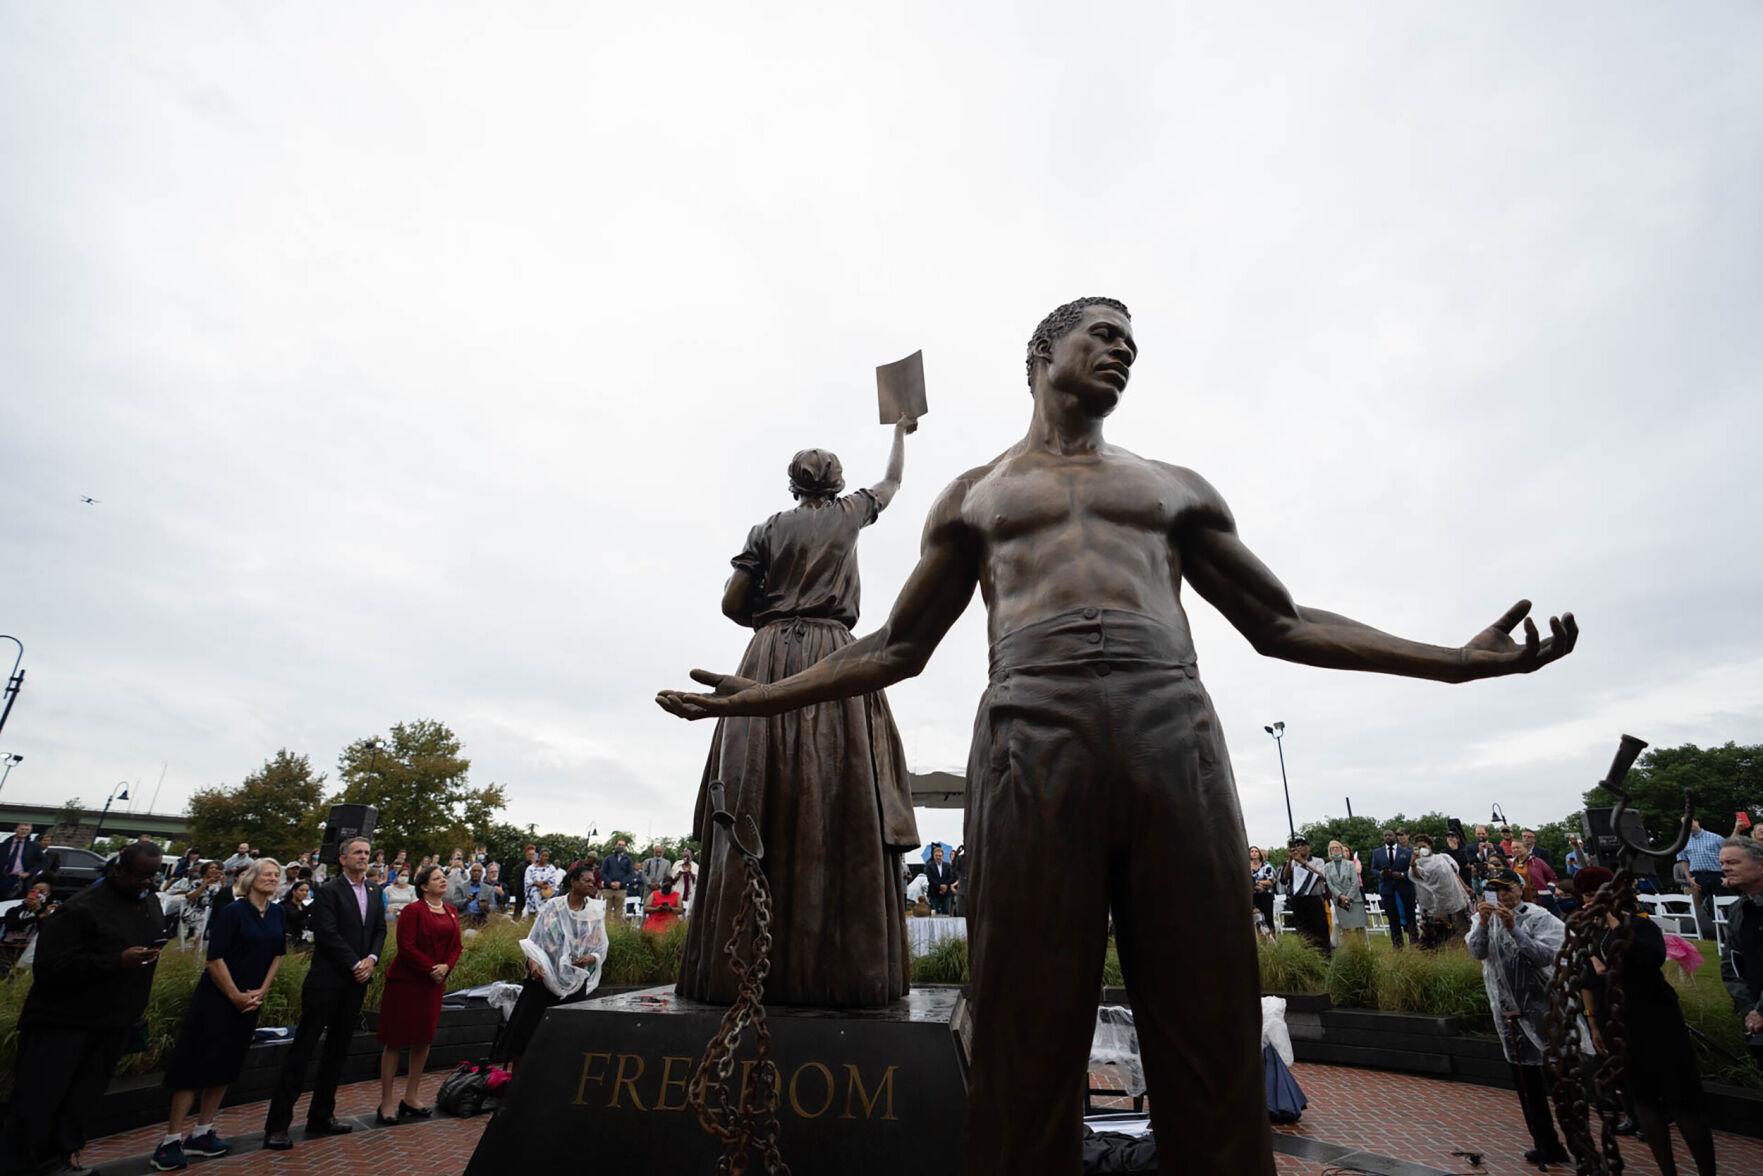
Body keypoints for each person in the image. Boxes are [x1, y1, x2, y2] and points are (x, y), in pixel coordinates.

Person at [657, 296, 1578, 1174]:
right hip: (1030, 735)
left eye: (1130, 345)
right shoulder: (973, 496)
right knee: (1021, 1024)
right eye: (1102, 336)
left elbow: (1282, 622)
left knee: (1210, 1016)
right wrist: (761, 699)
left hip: (1171, 731)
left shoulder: (1171, 487)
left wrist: (1452, 662)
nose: (1121, 353)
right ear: (1041, 356)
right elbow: (898, 645)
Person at [673, 416, 920, 1009]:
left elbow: (732, 602)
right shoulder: (850, 513)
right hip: (835, 657)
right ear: (837, 485)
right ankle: (840, 971)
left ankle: (733, 972)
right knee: (840, 787)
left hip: (765, 658)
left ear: (792, 485)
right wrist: (901, 432)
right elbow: (892, 482)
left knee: (756, 789)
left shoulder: (767, 528)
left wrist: (771, 617)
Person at [0, 841, 165, 1174]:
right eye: (139, 876)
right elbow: (51, 968)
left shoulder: (148, 903)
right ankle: (23, 1163)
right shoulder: (81, 908)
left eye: (152, 877)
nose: (145, 883)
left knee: (82, 1098)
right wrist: (115, 961)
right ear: (118, 869)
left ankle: (60, 1156)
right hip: (64, 1023)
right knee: (41, 1097)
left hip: (112, 1022)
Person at [1565, 866, 1716, 1175]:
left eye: (1594, 895)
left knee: (1682, 1099)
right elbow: (1587, 982)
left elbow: (1651, 959)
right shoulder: (1589, 935)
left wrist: (1614, 922)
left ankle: (1706, 1169)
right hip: (1618, 1024)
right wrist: (1593, 1024)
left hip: (1656, 1019)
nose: (1588, 902)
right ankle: (1667, 1169)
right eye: (1585, 896)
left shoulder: (1640, 926)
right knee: (1643, 1099)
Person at [153, 858, 287, 1171]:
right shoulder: (233, 911)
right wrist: (234, 994)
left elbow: (278, 955)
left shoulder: (277, 913)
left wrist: (261, 991)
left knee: (227, 1064)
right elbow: (215, 959)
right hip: (218, 998)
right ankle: (171, 1139)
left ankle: (202, 1131)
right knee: (194, 1064)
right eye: (266, 873)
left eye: (276, 875)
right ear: (251, 877)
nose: (272, 878)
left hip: (251, 999)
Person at [263, 836, 386, 1150]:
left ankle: (321, 1114)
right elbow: (327, 933)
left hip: (355, 984)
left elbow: (379, 930)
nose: (363, 857)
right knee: (303, 1050)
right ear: (343, 858)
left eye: (367, 852)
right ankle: (278, 1124)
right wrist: (354, 963)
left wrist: (372, 959)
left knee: (338, 1050)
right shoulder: (329, 890)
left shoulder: (375, 891)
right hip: (327, 981)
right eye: (357, 852)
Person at [1467, 869, 1572, 1167]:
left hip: (1543, 1009)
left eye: (1507, 889)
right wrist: (1483, 923)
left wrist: (1514, 929)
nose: (1501, 896)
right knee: (1527, 1087)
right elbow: (1477, 951)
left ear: (1520, 889)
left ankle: (1579, 1142)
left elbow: (1545, 955)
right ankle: (1545, 1144)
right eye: (1495, 890)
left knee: (1560, 1082)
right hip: (1508, 1014)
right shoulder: (1483, 920)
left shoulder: (1539, 917)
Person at [375, 864, 461, 1124]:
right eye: (437, 878)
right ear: (424, 886)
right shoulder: (413, 911)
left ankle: (411, 1096)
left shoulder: (451, 911)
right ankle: (386, 1101)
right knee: (395, 1040)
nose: (443, 881)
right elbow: (406, 946)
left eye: (444, 877)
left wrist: (446, 967)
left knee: (423, 1039)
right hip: (407, 982)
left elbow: (456, 946)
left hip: (433, 984)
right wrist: (430, 968)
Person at [506, 861, 608, 1070]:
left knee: (567, 1033)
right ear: (573, 882)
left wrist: (590, 958)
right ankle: (518, 1079)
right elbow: (534, 940)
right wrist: (533, 962)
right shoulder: (554, 906)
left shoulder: (595, 912)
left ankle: (557, 1076)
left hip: (574, 980)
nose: (592, 884)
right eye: (587, 880)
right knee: (526, 1030)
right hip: (545, 976)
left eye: (593, 881)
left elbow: (600, 946)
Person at [1717, 836, 1763, 1074]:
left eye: (1733, 862)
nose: (1725, 868)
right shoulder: (1738, 910)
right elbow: (1731, 963)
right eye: (1722, 863)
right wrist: (1748, 1010)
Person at [1410, 834, 1471, 946]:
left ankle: (1461, 950)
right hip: (1434, 905)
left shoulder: (1444, 857)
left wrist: (1466, 888)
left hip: (1453, 899)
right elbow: (1417, 876)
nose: (1422, 849)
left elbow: (1455, 874)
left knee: (1460, 930)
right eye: (1419, 848)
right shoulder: (1418, 863)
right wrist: (1413, 862)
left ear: (1430, 846)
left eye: (1424, 846)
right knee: (1439, 934)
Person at [1677, 818, 1729, 940]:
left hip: (1718, 875)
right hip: (1698, 877)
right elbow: (1683, 859)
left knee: (1725, 906)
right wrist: (1689, 877)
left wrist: (1728, 876)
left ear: (1697, 821)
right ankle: (1720, 937)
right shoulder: (1683, 841)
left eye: (1690, 822)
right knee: (1708, 909)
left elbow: (1728, 856)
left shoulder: (1716, 838)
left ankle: (1732, 935)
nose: (1689, 825)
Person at [1279, 836, 1331, 954]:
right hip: (1299, 900)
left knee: (1320, 928)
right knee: (1303, 930)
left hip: (1315, 899)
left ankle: (1324, 954)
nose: (1300, 847)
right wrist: (1290, 860)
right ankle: (1307, 953)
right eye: (1297, 845)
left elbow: (1322, 876)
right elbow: (1284, 879)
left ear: (1308, 847)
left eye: (1303, 845)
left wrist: (1304, 862)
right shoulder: (1292, 862)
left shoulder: (1318, 861)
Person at [1372, 829, 1416, 949]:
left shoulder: (1406, 852)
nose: (1388, 837)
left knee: (1410, 918)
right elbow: (1373, 869)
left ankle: (1415, 945)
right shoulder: (1377, 852)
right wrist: (1381, 873)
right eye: (1385, 835)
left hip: (1405, 889)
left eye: (1390, 835)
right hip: (1387, 890)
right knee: (1392, 920)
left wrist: (1402, 875)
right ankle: (1398, 947)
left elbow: (1412, 870)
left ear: (1395, 837)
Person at [0, 880, 53, 976]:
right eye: (33, 891)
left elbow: (45, 929)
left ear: (47, 895)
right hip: (7, 949)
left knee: (19, 977)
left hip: (29, 952)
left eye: (41, 892)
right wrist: (37, 917)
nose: (36, 894)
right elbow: (12, 925)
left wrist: (39, 910)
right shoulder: (14, 909)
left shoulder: (48, 913)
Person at [1321, 840, 1365, 944]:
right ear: (1330, 851)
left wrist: (1348, 897)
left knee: (1359, 925)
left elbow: (1355, 882)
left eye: (1337, 847)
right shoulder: (1327, 866)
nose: (1335, 850)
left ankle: (1362, 947)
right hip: (1339, 898)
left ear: (1341, 849)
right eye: (1332, 848)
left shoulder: (1350, 864)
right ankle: (1347, 947)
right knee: (1345, 926)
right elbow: (1330, 883)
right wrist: (1340, 896)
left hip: (1354, 897)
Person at [0, 823, 44, 901]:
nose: (24, 831)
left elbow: (42, 862)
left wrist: (29, 872)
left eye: (27, 830)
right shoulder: (4, 844)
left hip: (19, 879)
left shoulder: (34, 846)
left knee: (12, 902)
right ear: (16, 830)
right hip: (3, 877)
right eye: (22, 829)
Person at [600, 838, 641, 907]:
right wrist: (610, 883)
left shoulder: (628, 860)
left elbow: (631, 874)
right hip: (608, 889)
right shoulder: (608, 858)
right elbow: (603, 872)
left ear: (625, 847)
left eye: (623, 845)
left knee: (619, 911)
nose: (621, 846)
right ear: (615, 845)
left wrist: (621, 883)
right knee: (606, 910)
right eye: (619, 845)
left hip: (621, 889)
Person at [1248, 847, 1277, 934]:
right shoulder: (1246, 866)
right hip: (1252, 896)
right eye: (1252, 851)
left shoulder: (1266, 866)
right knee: (1256, 919)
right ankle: (1261, 939)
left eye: (1256, 851)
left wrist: (1256, 882)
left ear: (1259, 854)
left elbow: (1270, 881)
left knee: (1268, 919)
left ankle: (1272, 938)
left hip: (1266, 895)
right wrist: (1258, 884)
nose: (1254, 853)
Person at [924, 844, 956, 915]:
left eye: (940, 856)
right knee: (934, 914)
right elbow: (930, 879)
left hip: (946, 894)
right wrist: (940, 886)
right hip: (934, 893)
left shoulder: (947, 865)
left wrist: (945, 885)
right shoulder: (929, 866)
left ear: (942, 856)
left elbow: (951, 877)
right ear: (933, 856)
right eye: (936, 856)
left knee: (946, 913)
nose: (938, 857)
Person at [281, 878, 314, 948]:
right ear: (294, 891)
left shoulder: (303, 906)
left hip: (302, 939)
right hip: (289, 941)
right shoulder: (285, 905)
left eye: (307, 891)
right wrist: (313, 905)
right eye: (301, 890)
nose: (304, 893)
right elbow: (295, 916)